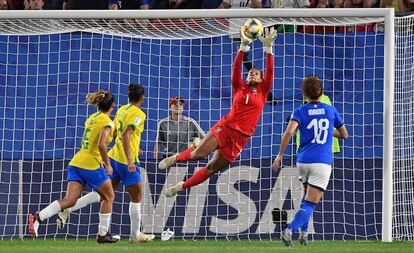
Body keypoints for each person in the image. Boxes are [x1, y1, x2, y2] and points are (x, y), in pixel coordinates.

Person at [158, 27, 277, 197]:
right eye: (250, 73)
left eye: (256, 74)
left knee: (211, 168)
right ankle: (175, 158)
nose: (252, 74)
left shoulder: (263, 91)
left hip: (241, 139)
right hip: (226, 127)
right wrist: (243, 47)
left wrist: (268, 49)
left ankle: (180, 187)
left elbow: (270, 71)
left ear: (260, 79)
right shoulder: (239, 87)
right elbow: (237, 67)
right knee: (198, 155)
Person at [56, 84, 155, 243]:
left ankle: (69, 207)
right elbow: (126, 134)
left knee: (105, 193)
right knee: (136, 197)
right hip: (125, 161)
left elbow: (117, 134)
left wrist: (134, 148)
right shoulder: (140, 114)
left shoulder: (122, 109)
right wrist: (130, 158)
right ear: (142, 98)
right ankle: (135, 235)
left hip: (114, 156)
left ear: (129, 97)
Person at [28, 90, 118, 243]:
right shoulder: (108, 122)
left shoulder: (92, 118)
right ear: (113, 106)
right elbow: (101, 144)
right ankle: (103, 235)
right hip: (91, 165)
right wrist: (107, 164)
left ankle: (38, 217)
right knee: (109, 196)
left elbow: (85, 139)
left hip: (76, 161)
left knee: (69, 200)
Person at [272, 76, 348, 247]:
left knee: (307, 197)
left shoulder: (299, 111)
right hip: (321, 162)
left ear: (304, 93)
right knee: (311, 202)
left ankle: (304, 233)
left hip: (303, 161)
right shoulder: (330, 110)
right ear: (321, 92)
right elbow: (345, 135)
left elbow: (289, 133)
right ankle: (290, 229)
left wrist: (279, 155)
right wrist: (329, 132)